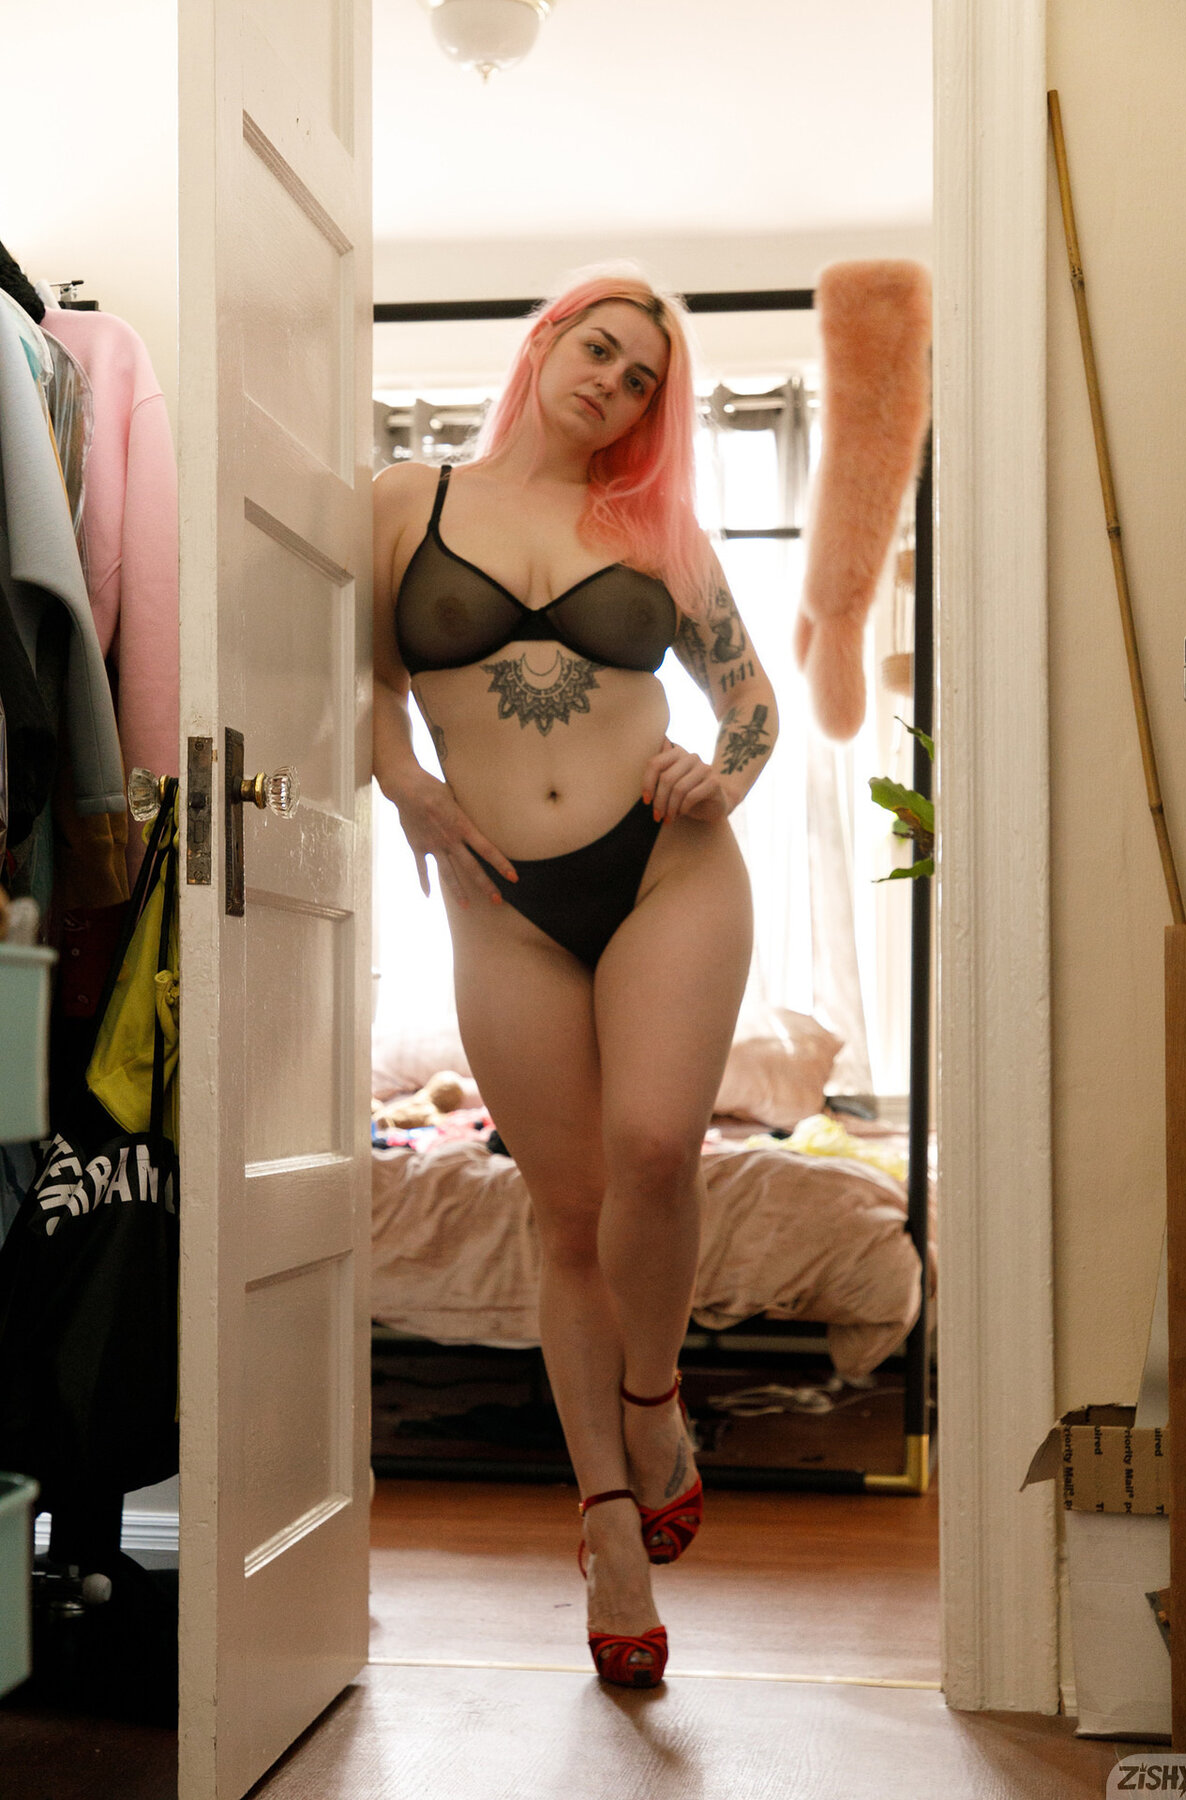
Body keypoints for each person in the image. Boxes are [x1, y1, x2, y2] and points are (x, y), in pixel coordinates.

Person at [373, 267, 778, 1687]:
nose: (612, 382)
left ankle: (654, 1399)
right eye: (599, 349)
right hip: (503, 902)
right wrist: (404, 786)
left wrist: (721, 776)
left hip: (669, 866)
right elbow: (357, 683)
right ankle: (609, 1525)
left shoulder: (656, 530)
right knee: (568, 1216)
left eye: (642, 378)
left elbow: (750, 700)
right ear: (547, 342)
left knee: (656, 1149)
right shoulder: (404, 502)